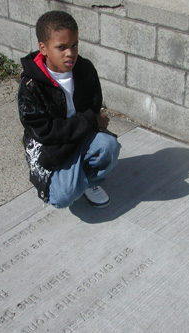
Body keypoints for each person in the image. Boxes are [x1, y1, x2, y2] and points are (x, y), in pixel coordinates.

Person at [18, 11, 121, 209]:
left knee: (108, 146)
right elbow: (44, 132)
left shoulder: (85, 70)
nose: (70, 53)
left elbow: (93, 107)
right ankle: (69, 180)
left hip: (79, 134)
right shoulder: (31, 86)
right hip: (50, 148)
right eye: (62, 47)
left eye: (74, 45)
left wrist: (91, 123)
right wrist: (91, 121)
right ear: (44, 48)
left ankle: (89, 183)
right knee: (63, 196)